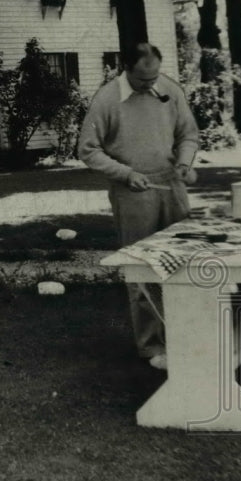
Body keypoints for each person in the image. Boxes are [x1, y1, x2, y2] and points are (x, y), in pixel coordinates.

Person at [78, 43, 199, 370]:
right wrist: (125, 174)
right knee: (142, 270)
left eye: (155, 76)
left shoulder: (169, 89)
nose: (151, 84)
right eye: (144, 79)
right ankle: (152, 347)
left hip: (172, 184)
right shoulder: (106, 100)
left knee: (183, 262)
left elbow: (188, 134)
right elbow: (88, 150)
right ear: (126, 69)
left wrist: (185, 163)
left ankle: (189, 336)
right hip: (133, 190)